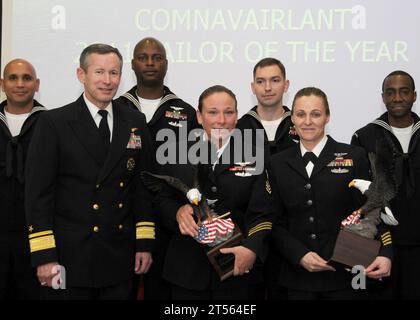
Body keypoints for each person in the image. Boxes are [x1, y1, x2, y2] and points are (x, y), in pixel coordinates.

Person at [24, 44, 155, 300]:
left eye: (114, 73)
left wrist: (144, 244)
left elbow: (142, 189)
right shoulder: (54, 123)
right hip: (68, 258)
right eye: (99, 72)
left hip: (119, 255)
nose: (107, 81)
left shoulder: (135, 122)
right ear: (81, 75)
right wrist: (44, 256)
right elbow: (38, 195)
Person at [268, 87, 392, 300]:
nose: (308, 121)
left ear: (327, 117)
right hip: (298, 275)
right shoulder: (277, 163)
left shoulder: (355, 156)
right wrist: (299, 255)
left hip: (349, 272)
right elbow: (274, 221)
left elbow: (372, 209)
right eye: (301, 114)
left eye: (315, 114)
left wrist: (386, 253)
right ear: (292, 119)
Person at [156, 85, 274, 299]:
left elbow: (263, 213)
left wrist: (252, 249)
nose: (221, 120)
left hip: (238, 270)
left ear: (236, 116)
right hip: (187, 273)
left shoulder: (256, 155)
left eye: (228, 112)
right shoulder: (176, 152)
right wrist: (177, 212)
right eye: (212, 112)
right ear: (199, 117)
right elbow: (161, 200)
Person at [116, 37, 198, 300]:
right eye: (143, 57)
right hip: (121, 222)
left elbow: (196, 170)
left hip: (169, 222)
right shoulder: (115, 109)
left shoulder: (186, 113)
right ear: (132, 64)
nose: (150, 62)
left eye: (156, 57)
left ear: (166, 64)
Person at [351, 70, 419, 299]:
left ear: (414, 96)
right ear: (383, 97)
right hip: (379, 245)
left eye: (404, 92)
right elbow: (359, 199)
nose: (397, 98)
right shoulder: (364, 137)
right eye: (390, 92)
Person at [237, 57, 298, 299]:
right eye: (261, 81)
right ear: (252, 87)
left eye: (275, 80)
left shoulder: (301, 124)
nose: (268, 87)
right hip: (249, 233)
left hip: (293, 234)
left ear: (286, 84)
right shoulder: (238, 128)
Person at [0, 59, 46, 299]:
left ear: (37, 85)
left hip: (36, 241)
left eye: (27, 78)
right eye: (13, 78)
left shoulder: (53, 126)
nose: (20, 84)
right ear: (2, 84)